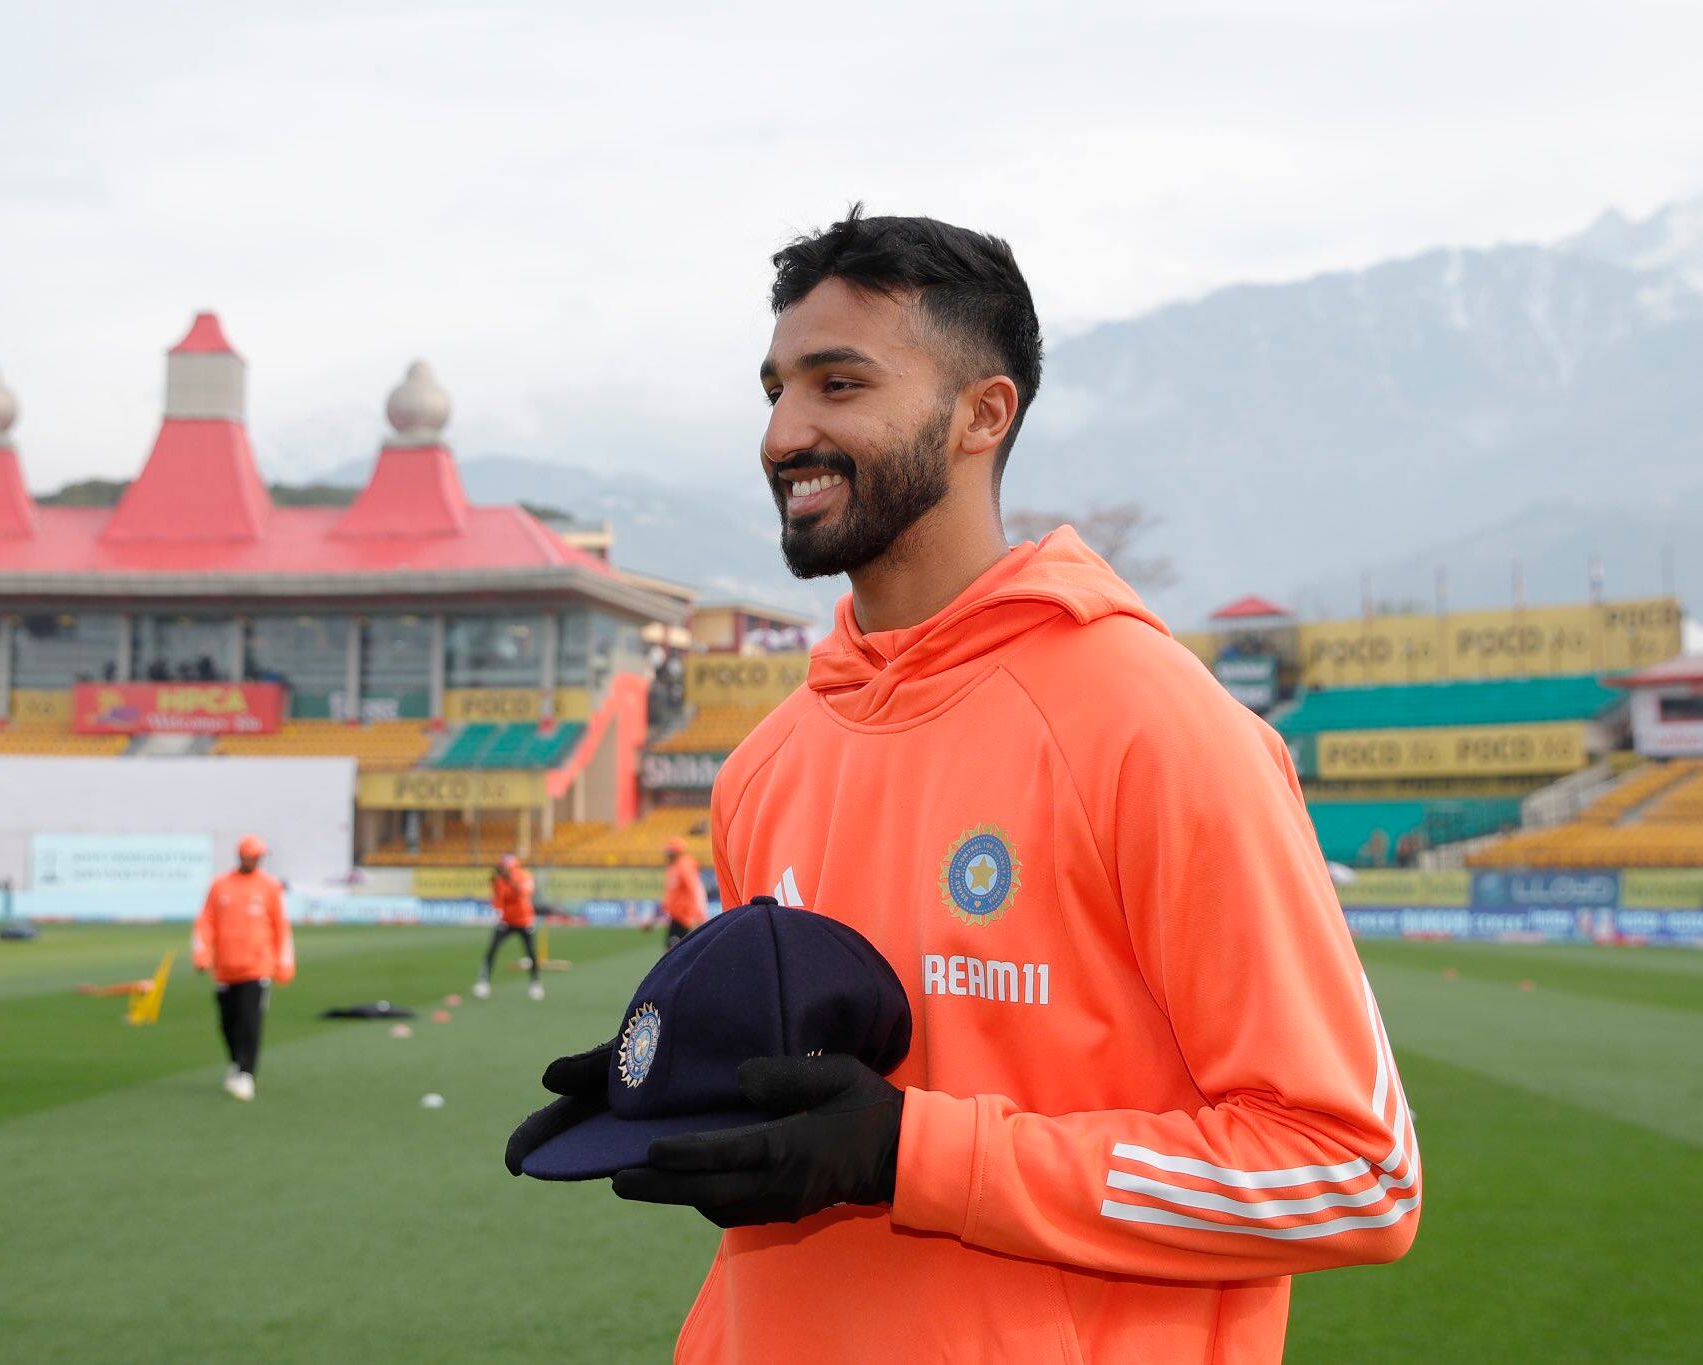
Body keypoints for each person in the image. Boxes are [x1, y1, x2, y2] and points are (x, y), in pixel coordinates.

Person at [511, 210, 1419, 1362]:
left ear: (979, 416)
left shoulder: (1156, 728)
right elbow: (838, 1102)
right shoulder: (764, 766)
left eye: (837, 385)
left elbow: (1352, 1174)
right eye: (775, 388)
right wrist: (680, 1088)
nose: (784, 432)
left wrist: (910, 1155)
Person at [192, 835, 294, 1102]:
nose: (256, 859)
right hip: (225, 968)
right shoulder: (220, 885)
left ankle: (247, 1074)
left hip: (257, 967)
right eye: (252, 855)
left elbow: (280, 927)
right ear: (242, 855)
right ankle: (237, 1063)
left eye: (259, 855)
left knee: (250, 1021)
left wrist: (284, 963)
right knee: (227, 1023)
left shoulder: (269, 887)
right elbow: (205, 922)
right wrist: (202, 954)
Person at [474, 853, 542, 1001]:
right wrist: (494, 883)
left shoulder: (525, 876)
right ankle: (483, 982)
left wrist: (509, 880)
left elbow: (524, 893)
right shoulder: (499, 880)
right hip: (506, 921)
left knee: (531, 953)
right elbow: (498, 901)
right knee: (492, 950)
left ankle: (535, 983)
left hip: (524, 921)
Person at [652, 837, 707, 949]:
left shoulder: (684, 866)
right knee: (672, 953)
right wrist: (654, 919)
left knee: (678, 954)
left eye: (669, 851)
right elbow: (670, 897)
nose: (667, 855)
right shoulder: (673, 867)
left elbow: (695, 890)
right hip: (676, 917)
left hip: (685, 918)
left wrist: (698, 915)